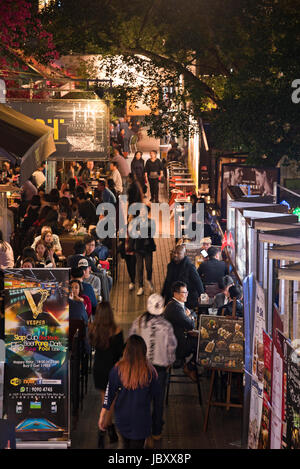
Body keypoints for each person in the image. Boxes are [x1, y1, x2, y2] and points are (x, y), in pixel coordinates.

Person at [129, 294, 177, 440]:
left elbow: (131, 341)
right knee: (158, 400)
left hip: (140, 367)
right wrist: (170, 361)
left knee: (140, 398)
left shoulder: (138, 322)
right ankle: (156, 431)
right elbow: (171, 347)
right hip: (159, 369)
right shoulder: (166, 326)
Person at [98, 334, 160, 449]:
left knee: (125, 445)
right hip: (142, 422)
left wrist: (102, 415)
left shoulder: (117, 369)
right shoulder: (150, 372)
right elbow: (157, 399)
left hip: (122, 420)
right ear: (144, 351)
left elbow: (109, 394)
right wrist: (155, 428)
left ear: (126, 351)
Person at [88, 302, 124, 448]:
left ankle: (110, 429)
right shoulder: (117, 331)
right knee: (110, 404)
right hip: (112, 370)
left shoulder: (93, 330)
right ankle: (102, 431)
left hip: (98, 369)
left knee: (106, 401)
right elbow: (120, 354)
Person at [163, 281, 198, 382]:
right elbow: (191, 324)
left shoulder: (178, 304)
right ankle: (190, 367)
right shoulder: (175, 308)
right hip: (176, 345)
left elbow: (193, 314)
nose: (186, 295)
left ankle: (188, 365)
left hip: (179, 339)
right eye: (184, 293)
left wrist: (189, 316)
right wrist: (190, 317)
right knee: (202, 345)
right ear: (176, 294)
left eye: (187, 292)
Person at [162, 244, 204, 312]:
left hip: (187, 298)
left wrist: (202, 297)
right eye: (174, 253)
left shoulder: (190, 267)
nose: (175, 255)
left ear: (184, 254)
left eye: (178, 253)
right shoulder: (170, 266)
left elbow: (198, 283)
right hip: (174, 297)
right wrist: (162, 295)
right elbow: (167, 281)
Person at [132, 205, 156, 296]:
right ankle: (140, 286)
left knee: (149, 266)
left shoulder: (151, 222)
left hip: (148, 247)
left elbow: (152, 233)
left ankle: (149, 280)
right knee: (140, 267)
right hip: (138, 247)